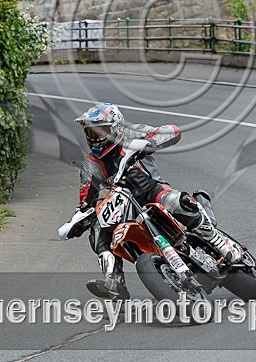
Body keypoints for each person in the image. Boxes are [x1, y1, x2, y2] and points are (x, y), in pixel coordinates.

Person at [65, 103, 243, 300]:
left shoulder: (132, 134)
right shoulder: (91, 164)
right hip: (124, 205)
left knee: (178, 201)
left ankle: (220, 243)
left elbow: (172, 132)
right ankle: (114, 281)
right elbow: (86, 198)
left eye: (100, 131)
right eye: (91, 133)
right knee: (98, 228)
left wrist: (151, 142)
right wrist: (78, 219)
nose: (95, 137)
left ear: (115, 127)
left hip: (151, 190)